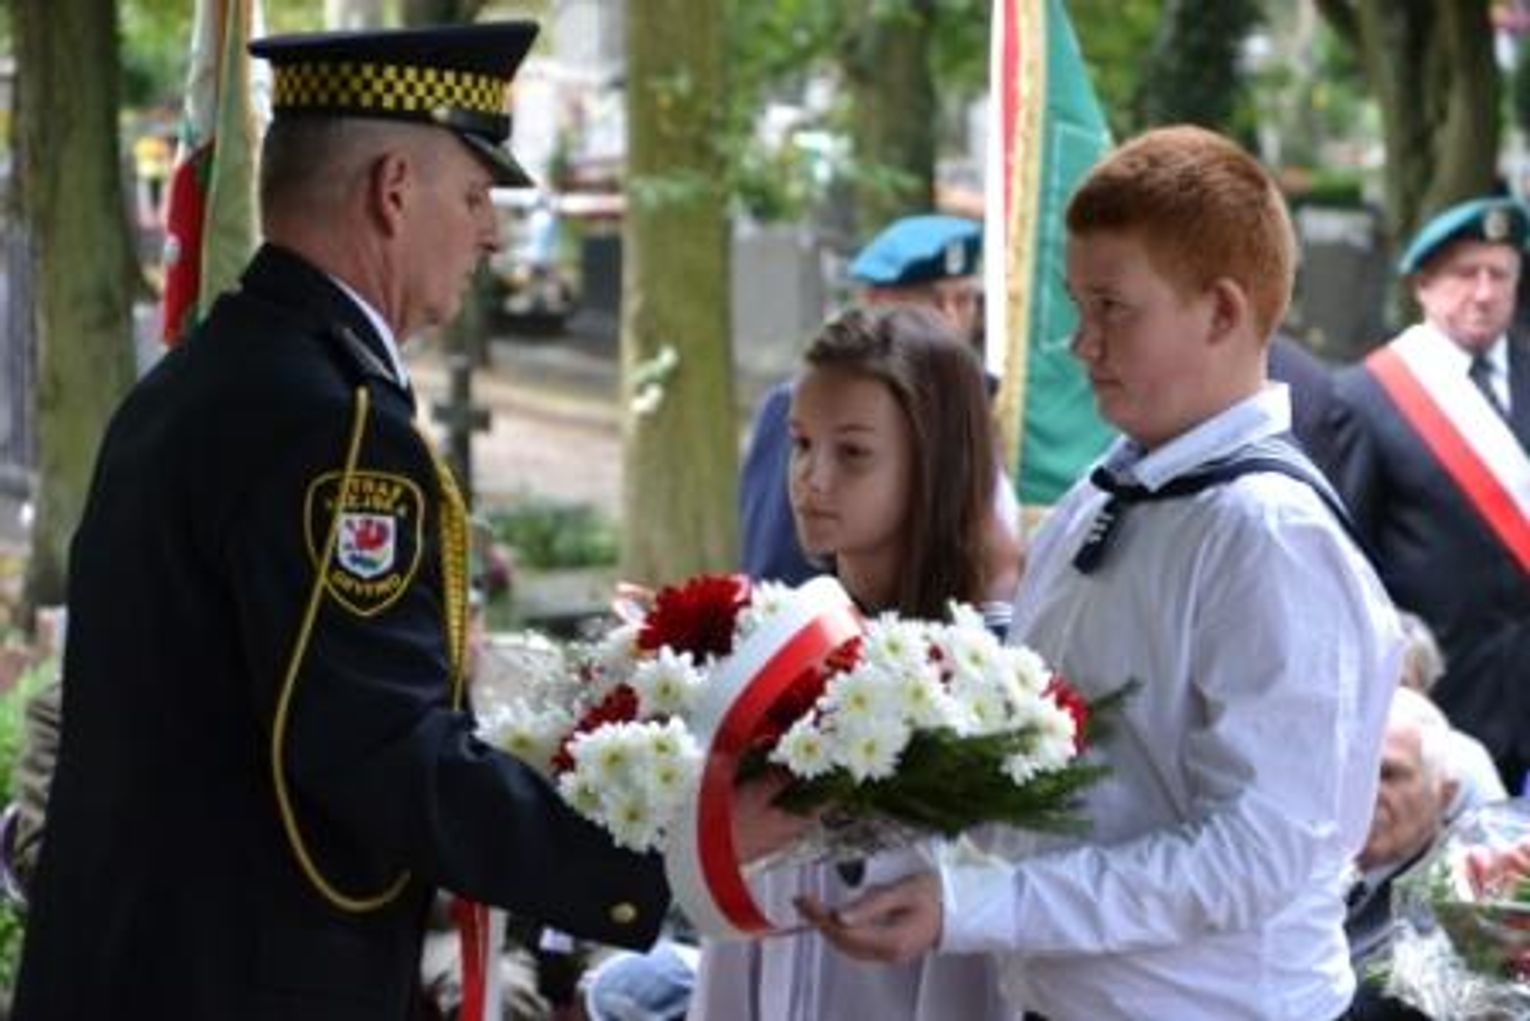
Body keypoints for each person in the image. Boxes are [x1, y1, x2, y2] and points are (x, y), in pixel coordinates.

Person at [12, 24, 796, 1020]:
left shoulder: (204, 381)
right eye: (473, 197)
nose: (493, 234)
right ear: (393, 191)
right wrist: (669, 847)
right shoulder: (332, 427)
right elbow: (376, 744)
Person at [798, 125, 1401, 1020]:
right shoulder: (1106, 492)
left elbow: (1258, 852)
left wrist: (983, 902)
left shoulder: (1269, 537)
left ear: (1222, 313)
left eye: (1113, 308)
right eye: (1079, 306)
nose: (1082, 342)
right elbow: (1060, 750)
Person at [690, 305, 1010, 1021]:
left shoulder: (987, 684)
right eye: (802, 444)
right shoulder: (778, 649)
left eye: (853, 453)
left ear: (933, 462)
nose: (812, 478)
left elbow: (978, 965)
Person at [1330, 195, 1530, 794]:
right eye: (1466, 273)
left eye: (1500, 274)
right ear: (1423, 285)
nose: (1484, 293)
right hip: (1442, 698)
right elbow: (1348, 559)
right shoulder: (1367, 396)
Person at [737, 214, 1021, 589]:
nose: (951, 316)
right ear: (875, 301)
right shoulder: (808, 404)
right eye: (933, 299)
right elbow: (777, 571)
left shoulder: (997, 404)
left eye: (964, 299)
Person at [1344, 688, 1460, 1021]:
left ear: (1445, 795)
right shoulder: (1300, 863)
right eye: (1352, 771)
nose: (1364, 793)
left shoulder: (1460, 899)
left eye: (1388, 775)